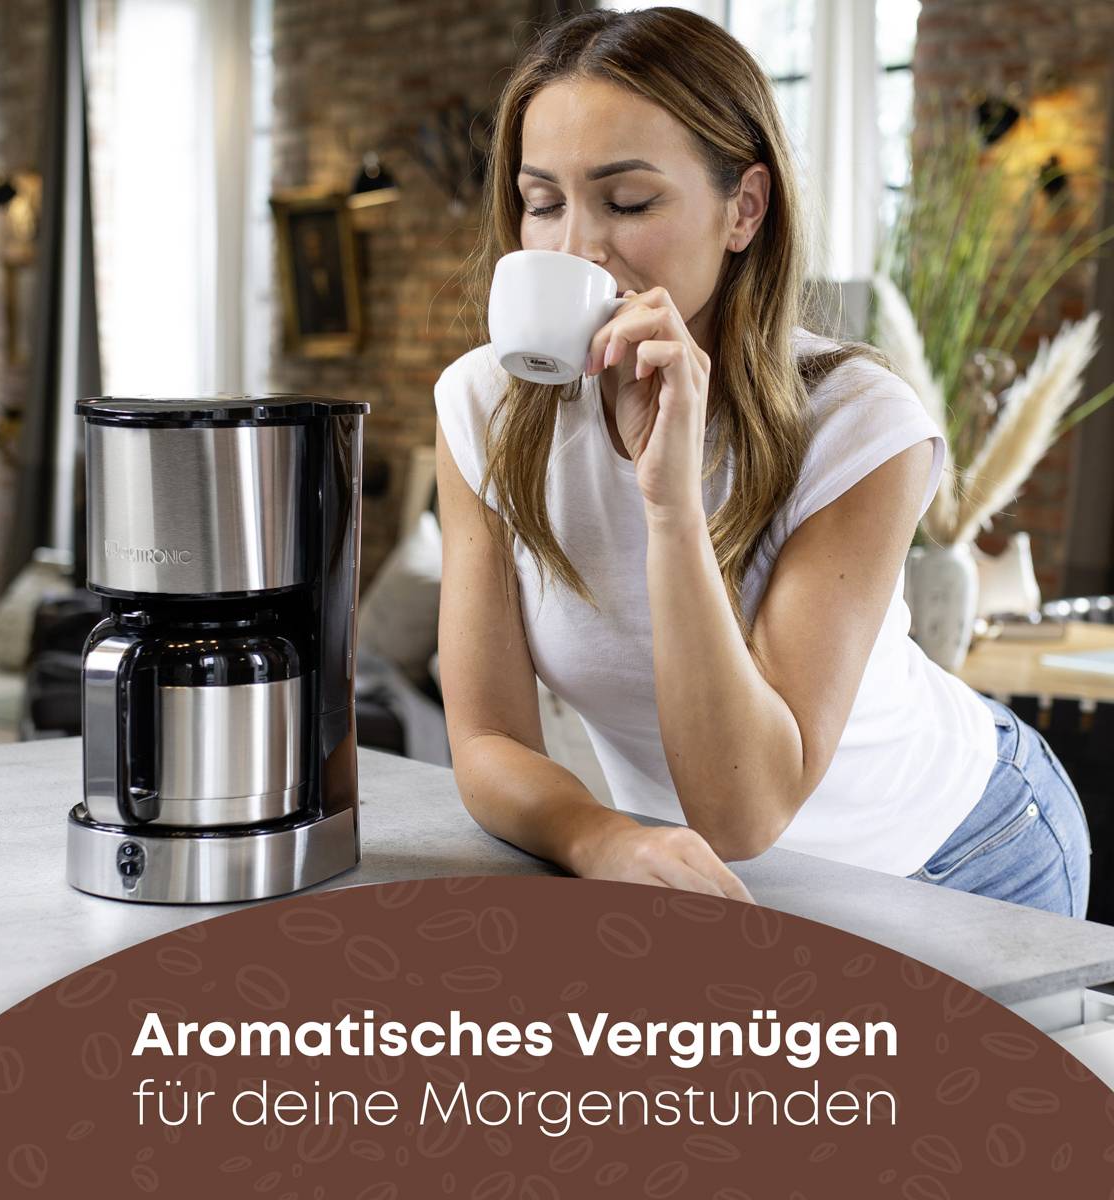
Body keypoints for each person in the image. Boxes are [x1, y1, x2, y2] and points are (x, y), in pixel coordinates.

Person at [433, 6, 1091, 917]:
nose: (575, 247)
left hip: (960, 851)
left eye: (627, 202)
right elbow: (488, 736)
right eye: (542, 203)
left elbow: (743, 807)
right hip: (716, 881)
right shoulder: (482, 409)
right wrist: (600, 835)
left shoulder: (861, 426)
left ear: (743, 209)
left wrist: (669, 507)